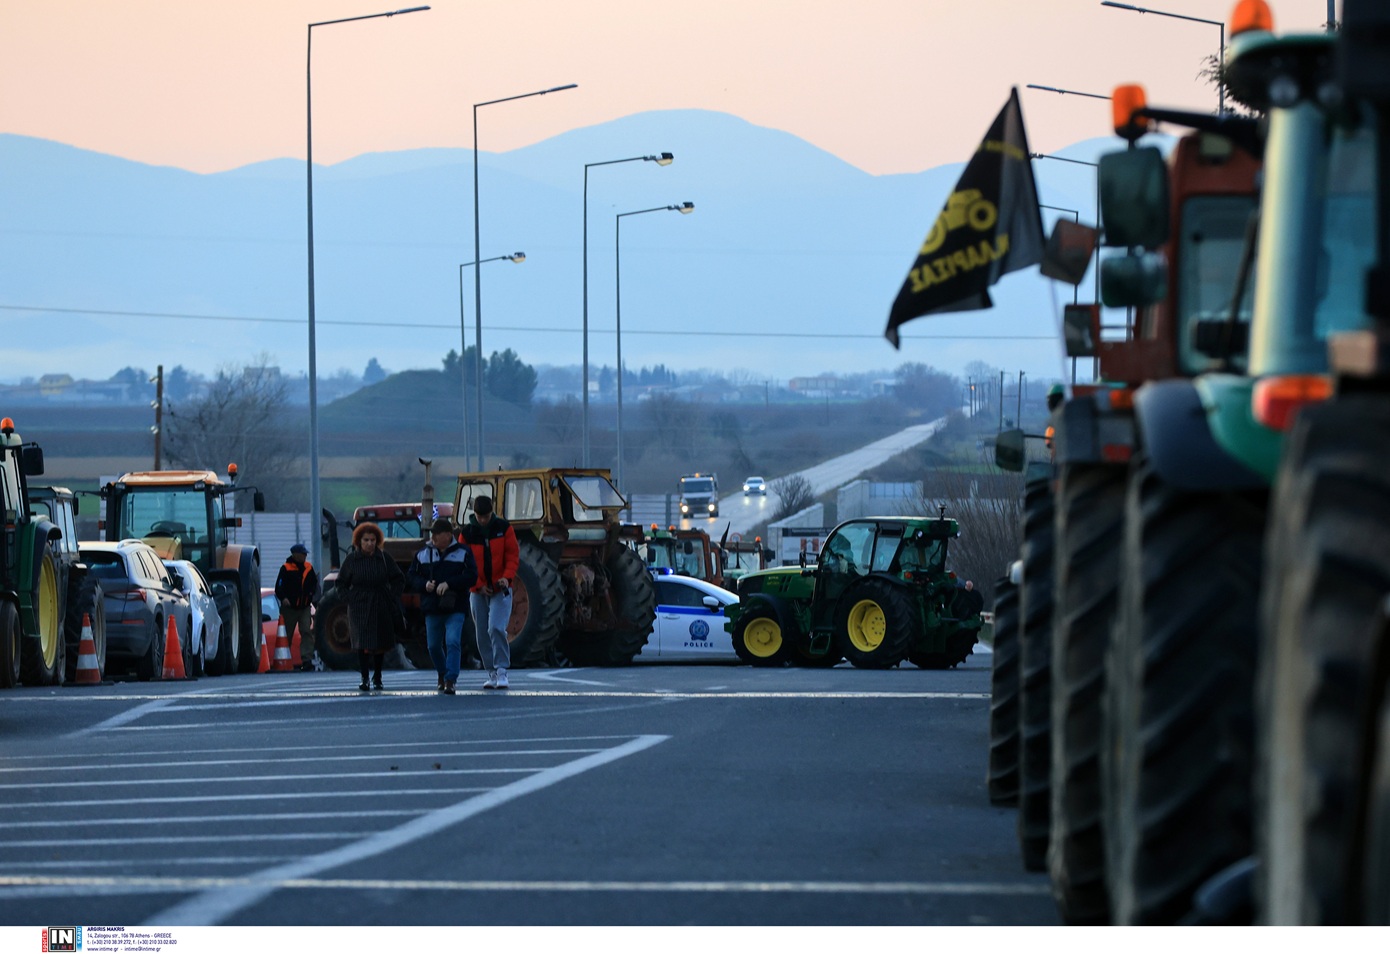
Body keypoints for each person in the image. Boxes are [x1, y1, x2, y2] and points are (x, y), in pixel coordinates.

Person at [408, 517, 477, 695]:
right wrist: (424, 585)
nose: (434, 538)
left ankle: (450, 679)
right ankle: (442, 671)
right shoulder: (423, 554)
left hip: (456, 605)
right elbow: (411, 577)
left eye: (437, 534)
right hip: (432, 606)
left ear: (448, 535)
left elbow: (471, 576)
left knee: (453, 641)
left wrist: (450, 584)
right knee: (433, 646)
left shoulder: (464, 552)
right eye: (433, 535)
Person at [334, 521, 404, 692]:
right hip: (359, 605)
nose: (370, 543)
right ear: (359, 541)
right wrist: (349, 598)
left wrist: (392, 596)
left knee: (380, 642)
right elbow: (341, 582)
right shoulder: (352, 560)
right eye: (366, 540)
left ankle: (378, 677)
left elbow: (398, 578)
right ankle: (364, 677)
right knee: (362, 642)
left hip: (380, 603)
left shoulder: (384, 558)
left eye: (373, 540)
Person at [461, 495, 519, 690]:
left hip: (500, 589)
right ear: (474, 514)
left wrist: (507, 577)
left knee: (496, 627)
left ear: (491, 512)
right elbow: (464, 562)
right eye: (480, 516)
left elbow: (512, 556)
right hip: (478, 591)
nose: (483, 520)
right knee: (482, 633)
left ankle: (502, 670)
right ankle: (491, 672)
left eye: (486, 516)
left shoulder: (504, 528)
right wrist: (477, 585)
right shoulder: (467, 533)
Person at [275, 542, 321, 672]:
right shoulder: (285, 568)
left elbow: (314, 585)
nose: (305, 556)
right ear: (295, 555)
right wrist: (283, 598)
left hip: (304, 607)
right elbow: (278, 586)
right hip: (289, 609)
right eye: (302, 554)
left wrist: (312, 596)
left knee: (306, 631)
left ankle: (307, 660)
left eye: (305, 554)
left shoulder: (308, 567)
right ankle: (284, 660)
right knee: (286, 635)